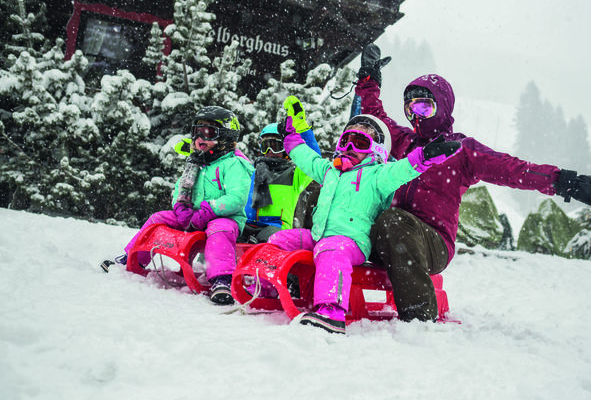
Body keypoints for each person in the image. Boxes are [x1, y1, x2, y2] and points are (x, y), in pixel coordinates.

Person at [355, 44, 591, 323]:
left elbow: (514, 169)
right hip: (391, 234)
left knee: (393, 220)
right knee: (337, 201)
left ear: (442, 107)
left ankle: (419, 318)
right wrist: (369, 79)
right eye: (410, 109)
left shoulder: (461, 150)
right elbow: (375, 116)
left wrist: (566, 182)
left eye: (424, 106)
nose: (416, 116)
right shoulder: (405, 142)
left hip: (431, 242)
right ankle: (319, 287)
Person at [267, 105, 463, 334]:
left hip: (353, 242)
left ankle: (331, 312)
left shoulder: (377, 175)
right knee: (279, 239)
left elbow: (403, 169)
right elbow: (306, 157)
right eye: (345, 141)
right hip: (318, 235)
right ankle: (275, 288)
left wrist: (425, 156)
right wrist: (291, 137)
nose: (349, 147)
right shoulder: (330, 171)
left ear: (377, 151)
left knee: (332, 250)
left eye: (359, 143)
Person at [119, 106, 254, 305]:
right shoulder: (195, 162)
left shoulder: (233, 164)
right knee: (158, 219)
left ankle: (221, 279)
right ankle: (133, 258)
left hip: (226, 217)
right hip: (193, 215)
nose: (200, 137)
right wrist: (180, 207)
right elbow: (179, 188)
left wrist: (210, 209)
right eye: (196, 132)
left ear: (224, 137)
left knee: (220, 229)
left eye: (207, 132)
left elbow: (237, 198)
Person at [243, 96, 321, 243]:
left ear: (286, 148)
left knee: (269, 241)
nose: (270, 151)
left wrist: (301, 126)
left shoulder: (295, 175)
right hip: (247, 224)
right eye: (266, 146)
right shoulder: (253, 171)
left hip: (275, 227)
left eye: (276, 145)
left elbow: (313, 158)